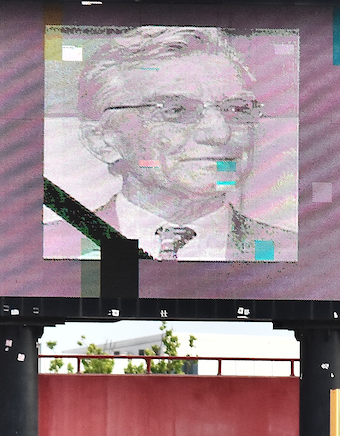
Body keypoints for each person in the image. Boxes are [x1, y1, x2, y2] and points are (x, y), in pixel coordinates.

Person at [45, 26, 295, 263]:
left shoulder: (289, 251)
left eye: (237, 109)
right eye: (176, 110)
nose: (220, 133)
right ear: (102, 141)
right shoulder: (51, 246)